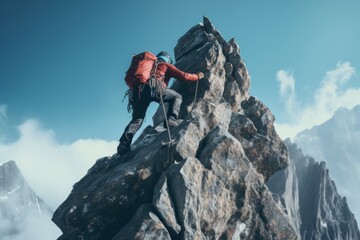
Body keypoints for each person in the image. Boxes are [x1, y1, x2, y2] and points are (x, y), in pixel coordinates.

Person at [117, 51, 204, 156]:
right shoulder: (165, 65)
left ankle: (124, 144)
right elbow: (183, 76)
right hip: (154, 87)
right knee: (177, 97)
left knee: (137, 119)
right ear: (167, 60)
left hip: (137, 92)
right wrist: (197, 76)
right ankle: (171, 120)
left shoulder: (149, 66)